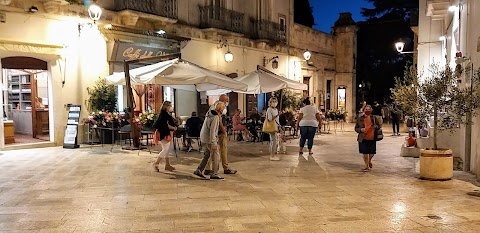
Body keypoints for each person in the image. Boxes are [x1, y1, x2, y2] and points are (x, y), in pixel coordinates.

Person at [204, 94, 237, 175]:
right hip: (217, 132)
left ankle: (207, 168)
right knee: (223, 150)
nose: (227, 103)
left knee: (209, 151)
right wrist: (224, 131)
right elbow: (219, 121)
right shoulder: (218, 107)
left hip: (212, 132)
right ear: (222, 100)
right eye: (226, 101)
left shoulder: (212, 106)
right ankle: (225, 168)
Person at [193, 102, 226, 180]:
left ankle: (199, 170)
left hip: (204, 137)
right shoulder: (215, 117)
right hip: (209, 139)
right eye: (223, 108)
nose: (224, 110)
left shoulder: (209, 113)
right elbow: (212, 130)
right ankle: (214, 173)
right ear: (220, 109)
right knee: (216, 155)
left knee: (207, 155)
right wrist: (213, 142)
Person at [355, 105, 381, 172]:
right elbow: (356, 128)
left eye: (368, 109)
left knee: (372, 153)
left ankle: (369, 161)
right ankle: (366, 166)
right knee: (365, 152)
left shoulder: (374, 118)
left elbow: (379, 126)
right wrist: (361, 130)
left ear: (371, 110)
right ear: (364, 110)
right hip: (363, 138)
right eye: (366, 109)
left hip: (372, 137)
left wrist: (375, 126)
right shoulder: (360, 118)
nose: (367, 111)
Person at [152, 101, 177, 172]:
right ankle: (156, 163)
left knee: (167, 149)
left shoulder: (164, 114)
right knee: (165, 149)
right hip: (163, 133)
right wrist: (173, 128)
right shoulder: (164, 115)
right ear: (167, 106)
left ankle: (167, 165)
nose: (171, 107)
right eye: (170, 105)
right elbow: (165, 125)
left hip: (164, 132)